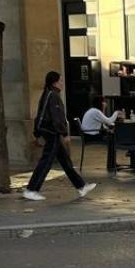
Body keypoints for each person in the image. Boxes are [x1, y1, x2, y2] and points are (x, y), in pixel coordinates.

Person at [24, 71, 95, 201]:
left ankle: (81, 186)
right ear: (54, 82)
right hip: (52, 132)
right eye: (60, 81)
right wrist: (64, 133)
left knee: (65, 160)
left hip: (49, 130)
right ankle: (31, 189)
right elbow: (57, 117)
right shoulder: (53, 96)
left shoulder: (48, 93)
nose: (62, 83)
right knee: (46, 161)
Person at [78, 96, 122, 171]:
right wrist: (116, 112)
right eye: (103, 102)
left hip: (88, 135)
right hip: (91, 136)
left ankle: (112, 164)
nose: (105, 103)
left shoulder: (93, 111)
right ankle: (112, 165)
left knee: (111, 136)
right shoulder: (95, 112)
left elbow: (103, 122)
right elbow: (109, 121)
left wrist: (104, 110)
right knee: (112, 139)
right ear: (100, 103)